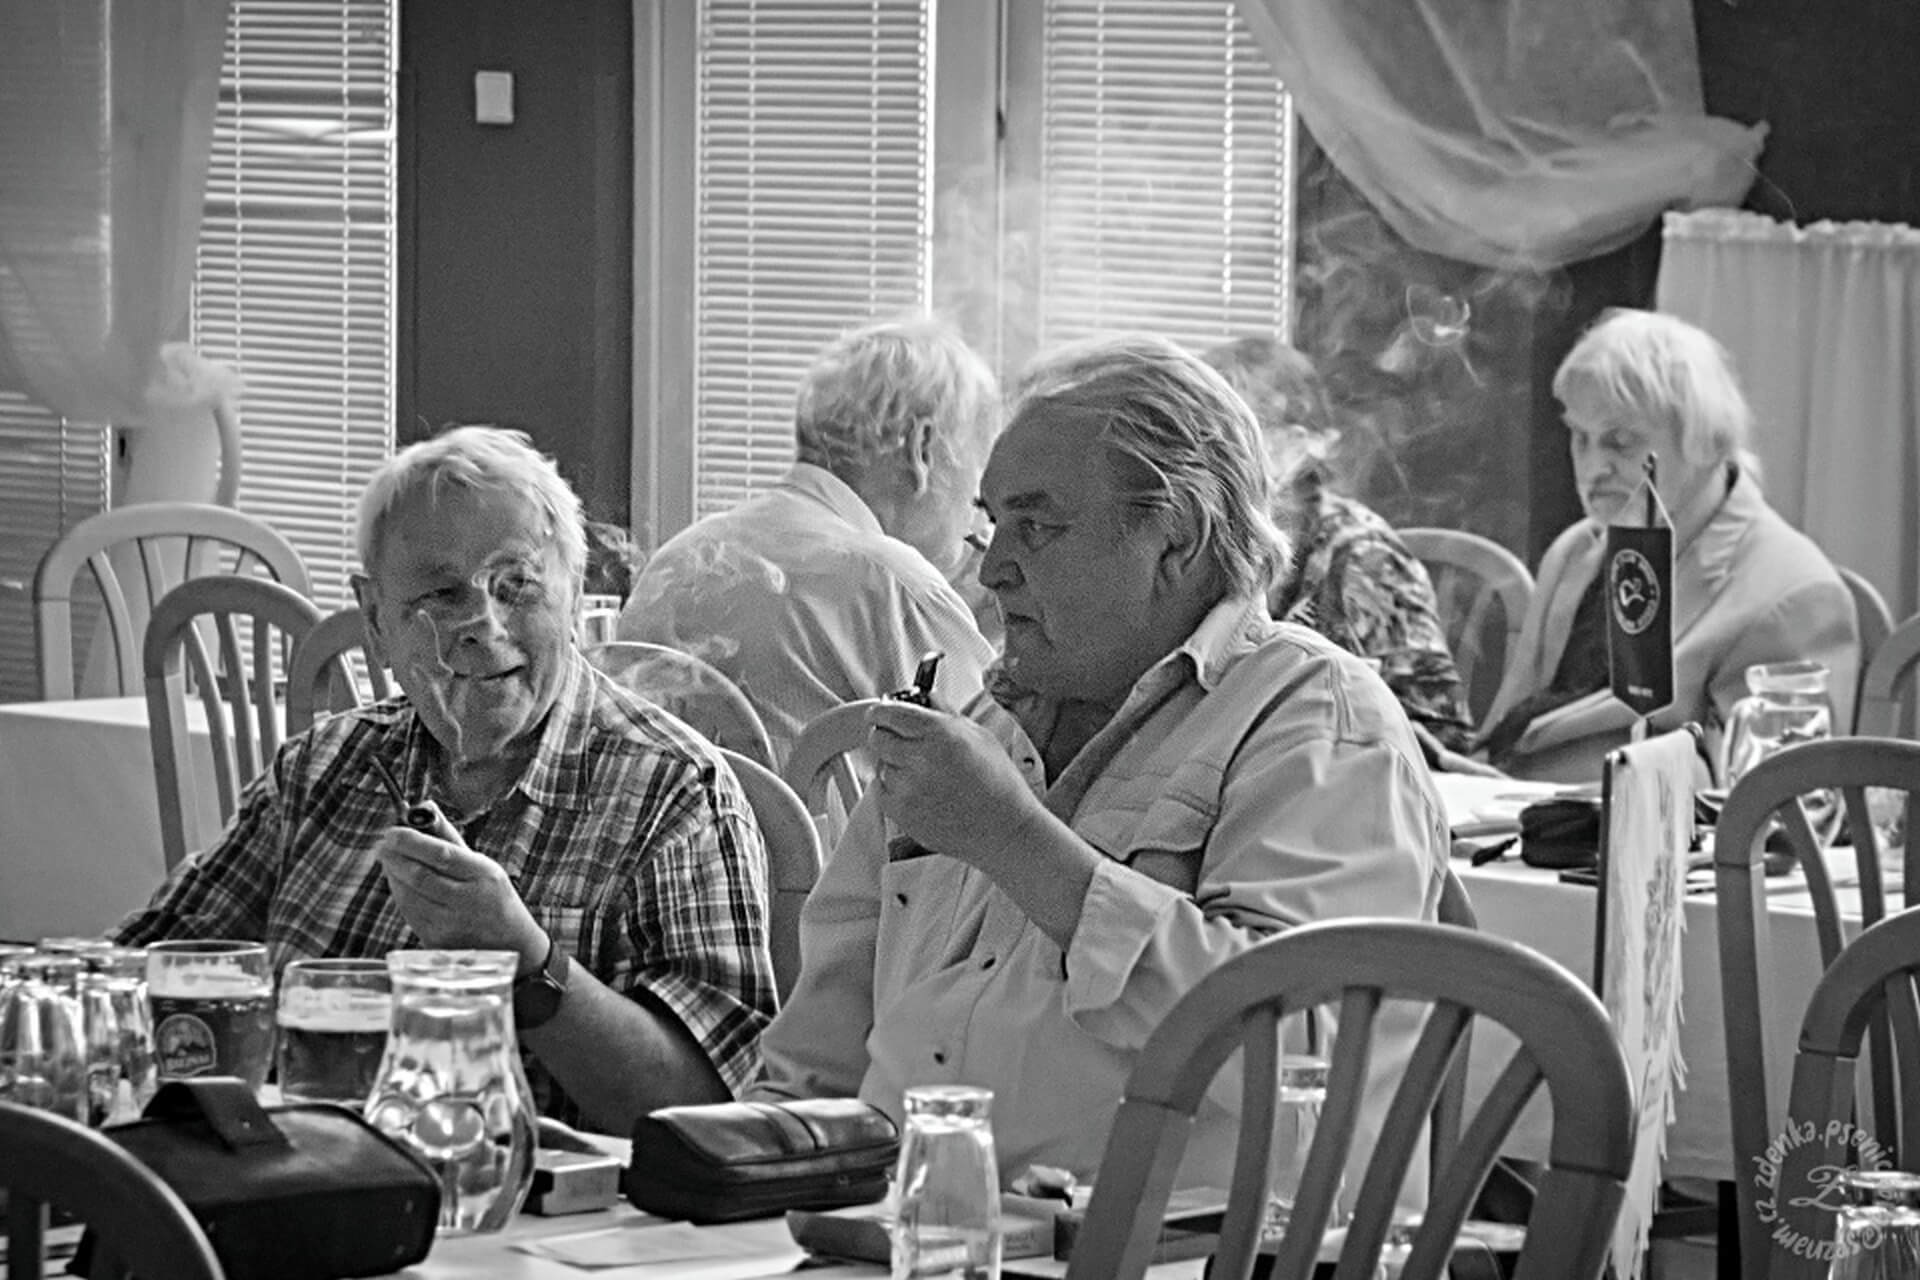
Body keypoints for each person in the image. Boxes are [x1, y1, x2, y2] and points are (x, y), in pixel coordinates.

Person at [749, 334, 1447, 1202]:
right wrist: (738, 1182)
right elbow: (816, 1057)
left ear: (1176, 541)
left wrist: (1015, 842)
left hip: (1177, 1249)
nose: (991, 568)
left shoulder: (1313, 720)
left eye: (1037, 527)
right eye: (990, 523)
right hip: (908, 1231)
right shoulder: (982, 725)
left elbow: (1301, 1055)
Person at [115, 426, 777, 1133]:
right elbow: (147, 971)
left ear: (574, 595)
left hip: (534, 1197)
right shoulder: (323, 768)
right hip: (295, 1178)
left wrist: (525, 961)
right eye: (440, 594)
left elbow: (705, 1112)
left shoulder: (674, 793)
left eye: (516, 585)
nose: (483, 625)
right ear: (376, 620)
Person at [1481, 309, 1859, 783]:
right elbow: (1510, 734)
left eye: (1621, 441)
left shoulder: (1796, 596)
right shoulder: (1577, 550)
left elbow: (1758, 798)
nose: (1593, 467)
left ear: (1707, 442)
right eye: (1580, 437)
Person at [616, 317, 999, 764]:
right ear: (922, 447)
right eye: (979, 471)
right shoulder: (895, 585)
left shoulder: (679, 557)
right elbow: (993, 783)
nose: (979, 511)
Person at [1202, 334, 1476, 762]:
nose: (1205, 461)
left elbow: (1442, 736)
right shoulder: (1218, 541)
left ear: (1296, 446)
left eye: (1227, 440)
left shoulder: (1363, 556)